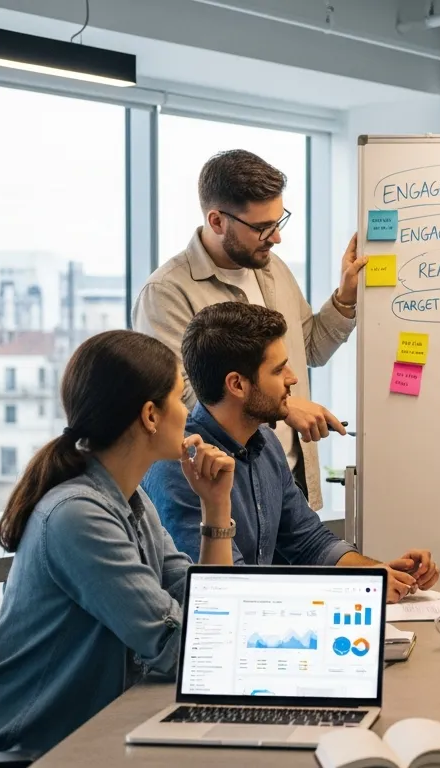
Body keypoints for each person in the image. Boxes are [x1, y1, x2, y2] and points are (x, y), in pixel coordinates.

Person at [0, 330, 237, 753]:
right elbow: (182, 649)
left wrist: (215, 506)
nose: (188, 412)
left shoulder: (131, 500)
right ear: (150, 415)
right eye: (180, 398)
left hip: (82, 733)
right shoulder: (78, 515)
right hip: (23, 748)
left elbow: (207, 607)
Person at [143, 302, 440, 603]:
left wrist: (377, 574)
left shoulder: (266, 444)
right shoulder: (181, 467)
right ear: (237, 385)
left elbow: (309, 541)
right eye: (278, 369)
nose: (293, 377)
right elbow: (227, 589)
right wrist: (357, 587)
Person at [133, 150, 364, 513]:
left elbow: (310, 349)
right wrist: (282, 407)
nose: (276, 238)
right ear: (217, 220)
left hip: (289, 483)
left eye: (278, 222)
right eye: (262, 228)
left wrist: (345, 298)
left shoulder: (274, 268)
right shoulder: (166, 292)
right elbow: (180, 399)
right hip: (222, 493)